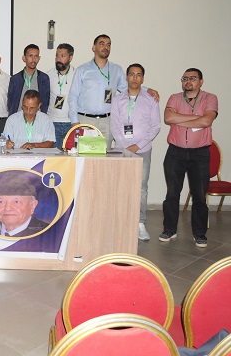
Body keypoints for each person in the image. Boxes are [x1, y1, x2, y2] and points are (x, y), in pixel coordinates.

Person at [160, 68, 218, 248]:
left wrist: (180, 119)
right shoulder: (174, 98)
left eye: (193, 78)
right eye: (185, 78)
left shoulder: (210, 98)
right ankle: (169, 229)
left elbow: (206, 121)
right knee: (172, 193)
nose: (188, 81)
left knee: (199, 195)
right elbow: (168, 117)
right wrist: (195, 117)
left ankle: (199, 233)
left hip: (200, 153)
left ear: (201, 81)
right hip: (175, 152)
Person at [68, 34, 158, 147]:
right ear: (94, 47)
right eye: (102, 44)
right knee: (84, 155)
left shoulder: (116, 70)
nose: (105, 47)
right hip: (85, 121)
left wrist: (147, 90)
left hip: (108, 122)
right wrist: (75, 122)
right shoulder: (82, 70)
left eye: (108, 44)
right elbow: (73, 96)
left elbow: (128, 87)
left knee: (106, 155)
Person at [110, 64, 161, 241]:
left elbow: (156, 126)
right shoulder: (117, 100)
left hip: (143, 150)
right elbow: (114, 126)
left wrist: (137, 146)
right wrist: (126, 146)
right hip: (121, 150)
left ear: (143, 78)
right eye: (131, 74)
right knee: (120, 185)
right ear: (127, 77)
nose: (135, 78)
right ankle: (120, 222)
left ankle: (140, 223)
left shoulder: (151, 99)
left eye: (139, 75)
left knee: (141, 187)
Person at [0, 172, 49, 237]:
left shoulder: (49, 232)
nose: (7, 208)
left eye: (16, 202)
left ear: (32, 205)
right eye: (1, 202)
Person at [7, 44, 50, 115]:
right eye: (30, 56)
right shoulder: (15, 79)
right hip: (19, 118)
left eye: (36, 56)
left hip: (38, 118)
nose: (33, 59)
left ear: (39, 58)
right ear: (24, 58)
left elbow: (46, 101)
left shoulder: (44, 78)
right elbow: (11, 102)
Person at [46, 43, 75, 148]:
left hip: (71, 123)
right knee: (54, 156)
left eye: (63, 56)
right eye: (57, 55)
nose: (58, 59)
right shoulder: (48, 75)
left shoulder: (77, 75)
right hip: (52, 123)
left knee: (71, 155)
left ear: (70, 58)